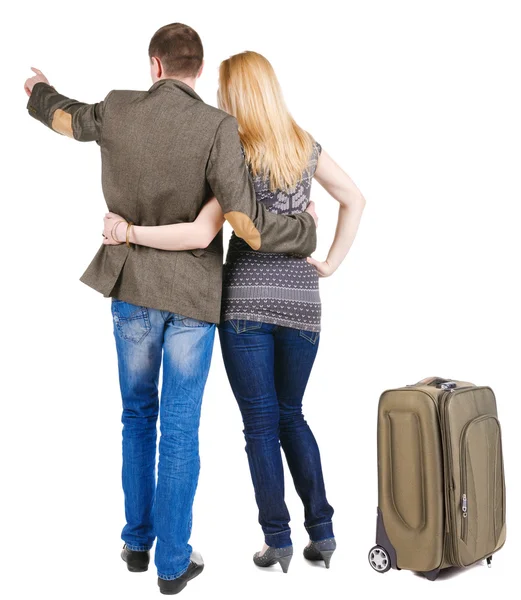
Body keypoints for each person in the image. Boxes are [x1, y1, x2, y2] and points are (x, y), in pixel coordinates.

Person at [24, 25, 317, 595]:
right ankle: (172, 563)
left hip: (131, 288)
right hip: (192, 300)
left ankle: (136, 542)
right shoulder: (218, 127)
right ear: (198, 71)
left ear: (154, 66)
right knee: (179, 430)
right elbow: (246, 224)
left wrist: (37, 89)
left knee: (137, 416)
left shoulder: (118, 108)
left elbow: (65, 117)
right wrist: (303, 230)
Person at [103, 50, 365, 573]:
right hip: (303, 305)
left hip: (244, 302)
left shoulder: (232, 151)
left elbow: (202, 232)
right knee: (293, 415)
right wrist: (329, 261)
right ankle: (324, 531)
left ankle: (278, 541)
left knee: (259, 426)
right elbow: (355, 198)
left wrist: (125, 231)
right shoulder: (303, 145)